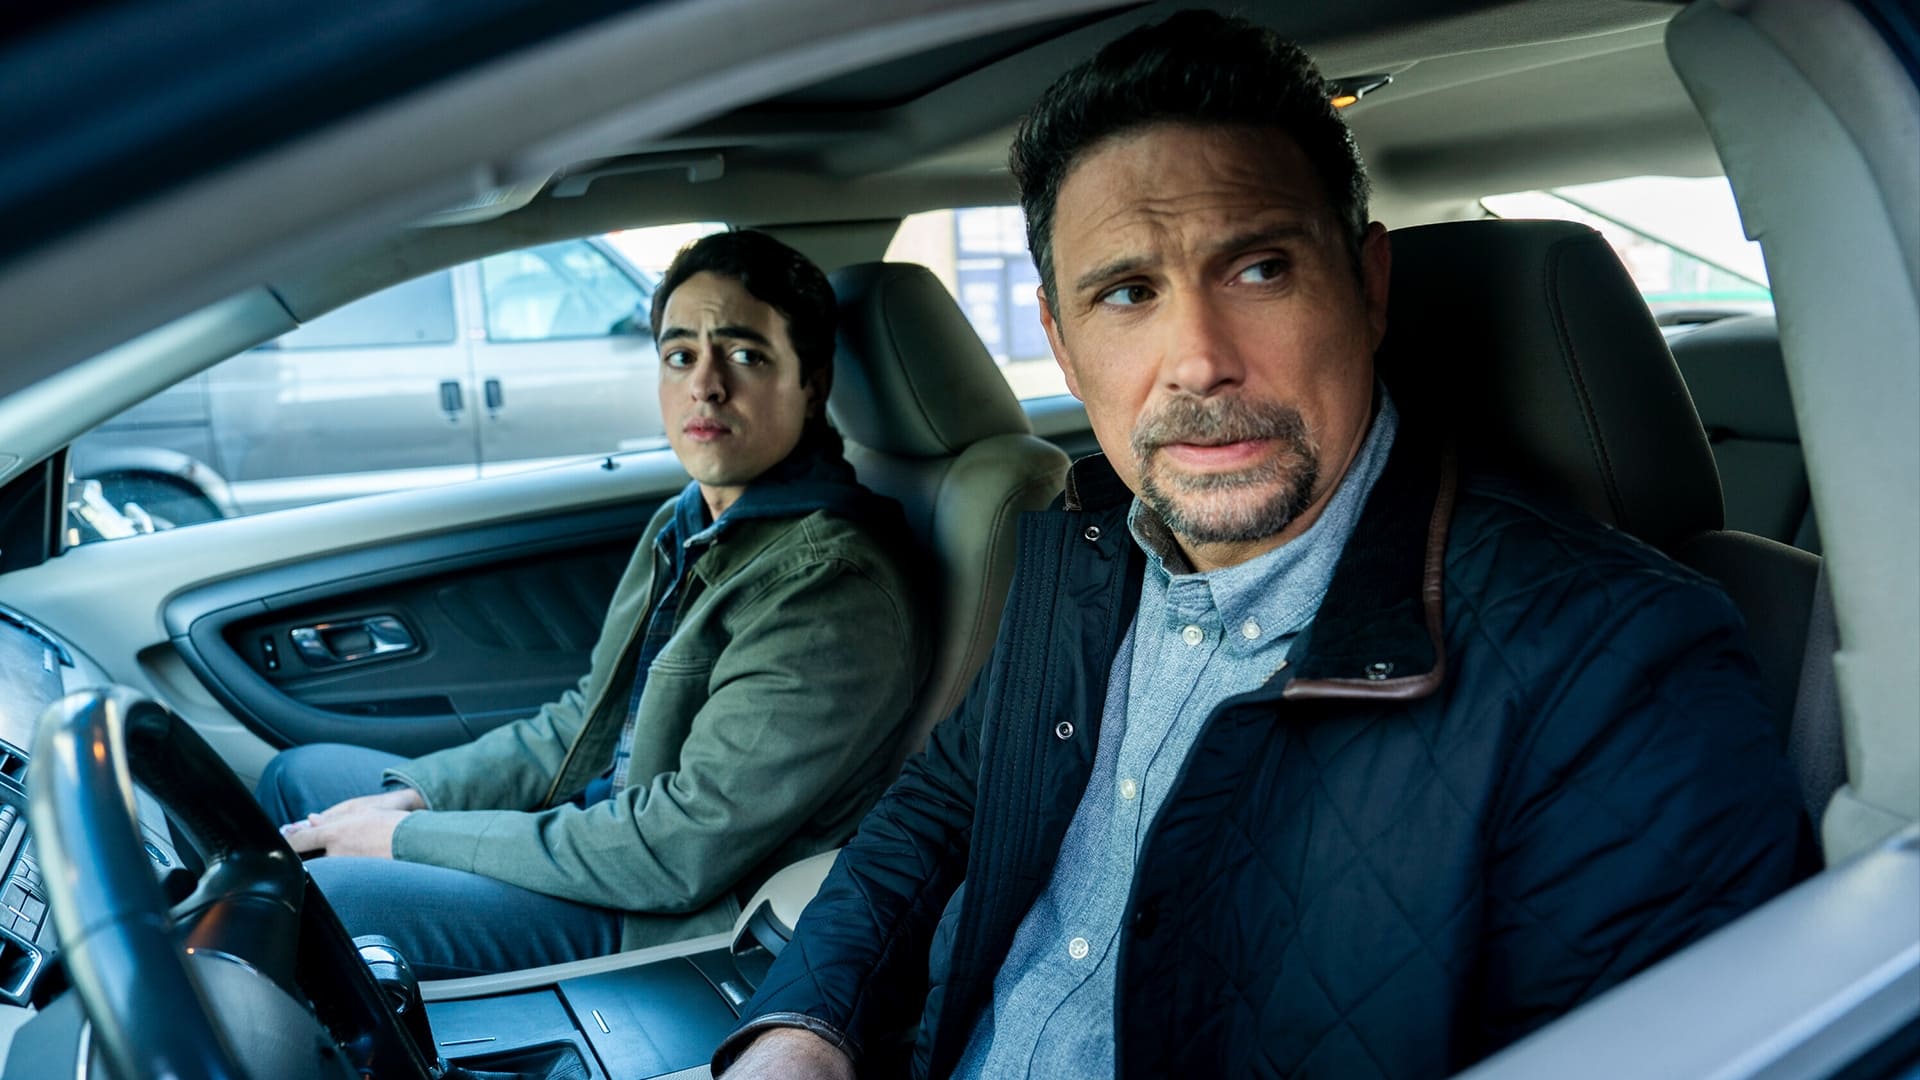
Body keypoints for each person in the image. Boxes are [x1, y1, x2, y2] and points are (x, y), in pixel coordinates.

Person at [713, 13, 1807, 1079]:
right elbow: (944, 804)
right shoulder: (1084, 558)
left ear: (1367, 287)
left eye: (1259, 270)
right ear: (1061, 343)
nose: (1198, 360)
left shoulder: (1618, 668)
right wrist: (801, 1031)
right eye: (1128, 293)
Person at [256, 229, 930, 979]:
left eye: (745, 355)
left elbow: (677, 850)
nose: (705, 385)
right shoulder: (692, 519)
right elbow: (585, 721)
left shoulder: (830, 587)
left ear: (812, 383)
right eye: (680, 355)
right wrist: (417, 800)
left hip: (669, 918)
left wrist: (400, 840)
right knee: (302, 776)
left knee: (331, 896)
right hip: (606, 834)